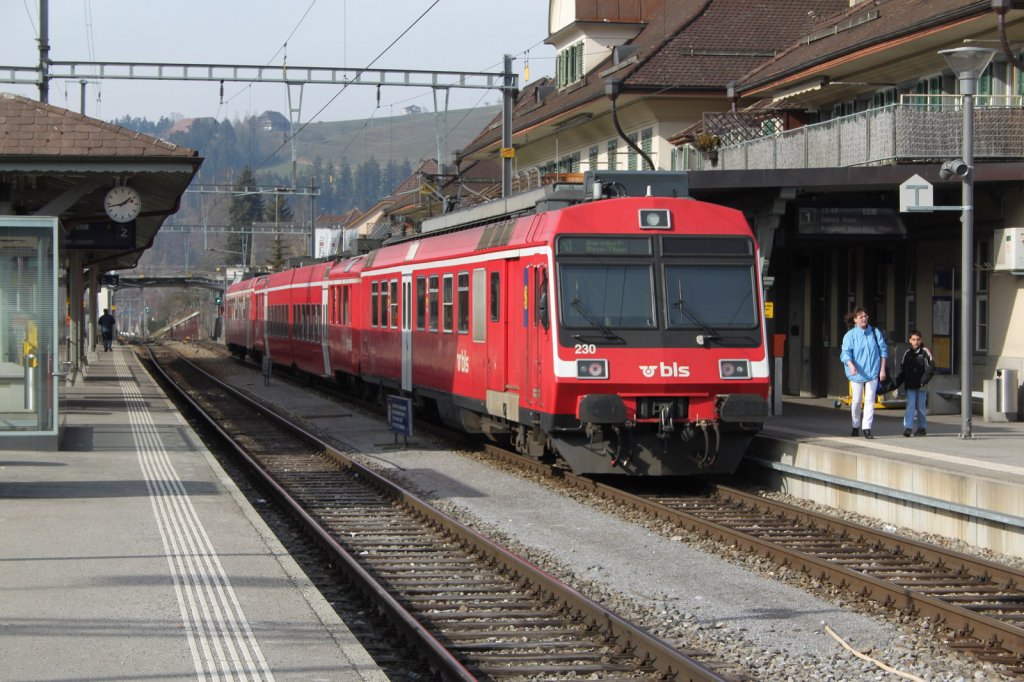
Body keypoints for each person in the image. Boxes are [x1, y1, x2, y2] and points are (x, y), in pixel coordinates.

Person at [840, 306, 888, 439]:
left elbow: (883, 351)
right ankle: (855, 425)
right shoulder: (850, 335)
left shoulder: (874, 332)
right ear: (855, 319)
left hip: (872, 372)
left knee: (870, 400)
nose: (864, 318)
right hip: (856, 373)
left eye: (865, 316)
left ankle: (867, 427)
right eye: (860, 316)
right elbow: (845, 353)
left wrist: (882, 369)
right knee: (855, 401)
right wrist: (851, 365)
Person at [896, 329, 935, 437]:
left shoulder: (925, 352)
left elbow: (931, 368)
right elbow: (903, 369)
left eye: (918, 339)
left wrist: (923, 381)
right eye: (913, 339)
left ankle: (922, 428)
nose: (916, 342)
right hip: (911, 384)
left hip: (922, 384)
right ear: (910, 340)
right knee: (910, 406)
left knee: (921, 407)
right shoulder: (907, 353)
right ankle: (908, 427)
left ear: (921, 340)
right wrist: (897, 382)